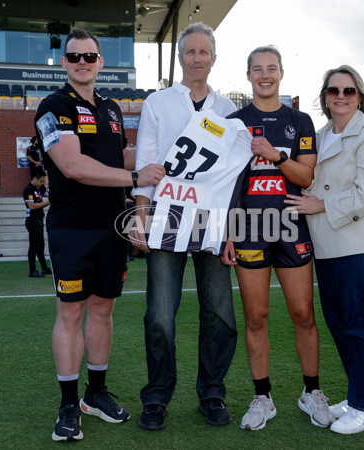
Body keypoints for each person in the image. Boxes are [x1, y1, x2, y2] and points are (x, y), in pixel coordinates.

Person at [33, 27, 165, 442]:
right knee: (71, 312)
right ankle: (69, 404)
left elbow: (122, 154)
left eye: (90, 57)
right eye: (75, 57)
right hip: (72, 229)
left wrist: (166, 153)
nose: (83, 63)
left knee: (103, 311)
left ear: (101, 62)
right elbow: (72, 165)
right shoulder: (52, 107)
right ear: (64, 62)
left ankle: (95, 393)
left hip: (112, 228)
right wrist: (134, 174)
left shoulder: (110, 108)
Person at [129, 22, 238, 431]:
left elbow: (231, 179)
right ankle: (157, 397)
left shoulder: (228, 110)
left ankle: (212, 393)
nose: (196, 58)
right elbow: (146, 161)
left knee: (220, 313)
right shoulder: (158, 103)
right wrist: (141, 216)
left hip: (210, 219)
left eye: (203, 52)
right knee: (159, 314)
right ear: (180, 58)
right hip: (167, 216)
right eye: (189, 52)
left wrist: (231, 232)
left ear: (213, 57)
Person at [220, 46, 334, 431]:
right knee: (256, 317)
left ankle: (311, 392)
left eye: (271, 68)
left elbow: (306, 179)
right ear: (249, 75)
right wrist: (227, 232)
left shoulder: (299, 121)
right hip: (250, 227)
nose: (264, 75)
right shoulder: (234, 122)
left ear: (281, 73)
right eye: (257, 69)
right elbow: (227, 184)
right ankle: (262, 396)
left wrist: (274, 155)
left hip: (291, 227)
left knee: (303, 314)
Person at [285, 65, 364, 434]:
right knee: (342, 327)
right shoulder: (321, 134)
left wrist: (322, 206)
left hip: (359, 246)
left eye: (349, 91)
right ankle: (357, 394)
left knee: (361, 328)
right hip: (329, 246)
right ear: (325, 98)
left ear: (360, 97)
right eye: (334, 91)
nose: (341, 97)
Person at [22, 168, 51, 278]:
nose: (42, 183)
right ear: (35, 178)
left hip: (38, 219)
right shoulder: (28, 189)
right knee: (34, 246)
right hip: (33, 220)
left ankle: (44, 268)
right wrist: (49, 202)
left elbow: (41, 202)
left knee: (41, 246)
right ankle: (32, 271)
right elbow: (32, 206)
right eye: (41, 181)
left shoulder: (36, 189)